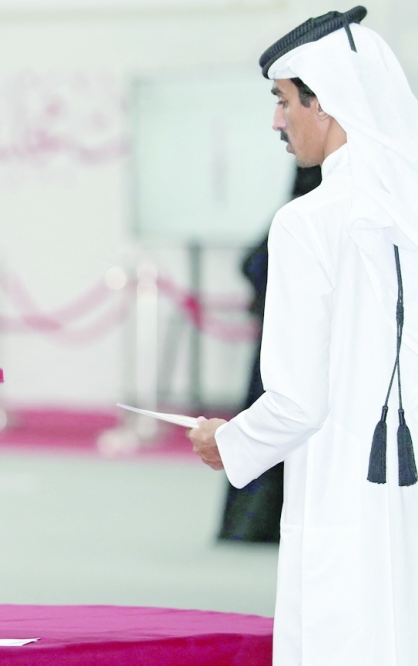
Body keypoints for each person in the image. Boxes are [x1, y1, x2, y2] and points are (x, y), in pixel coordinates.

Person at [188, 7, 418, 663]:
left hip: (345, 496)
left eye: (285, 100)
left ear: (330, 103)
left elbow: (296, 402)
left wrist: (225, 443)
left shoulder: (308, 222)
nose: (276, 121)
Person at [217, 166, 321, 543]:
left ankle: (249, 525)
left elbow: (252, 266)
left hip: (282, 348)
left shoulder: (306, 215)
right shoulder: (305, 215)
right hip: (289, 348)